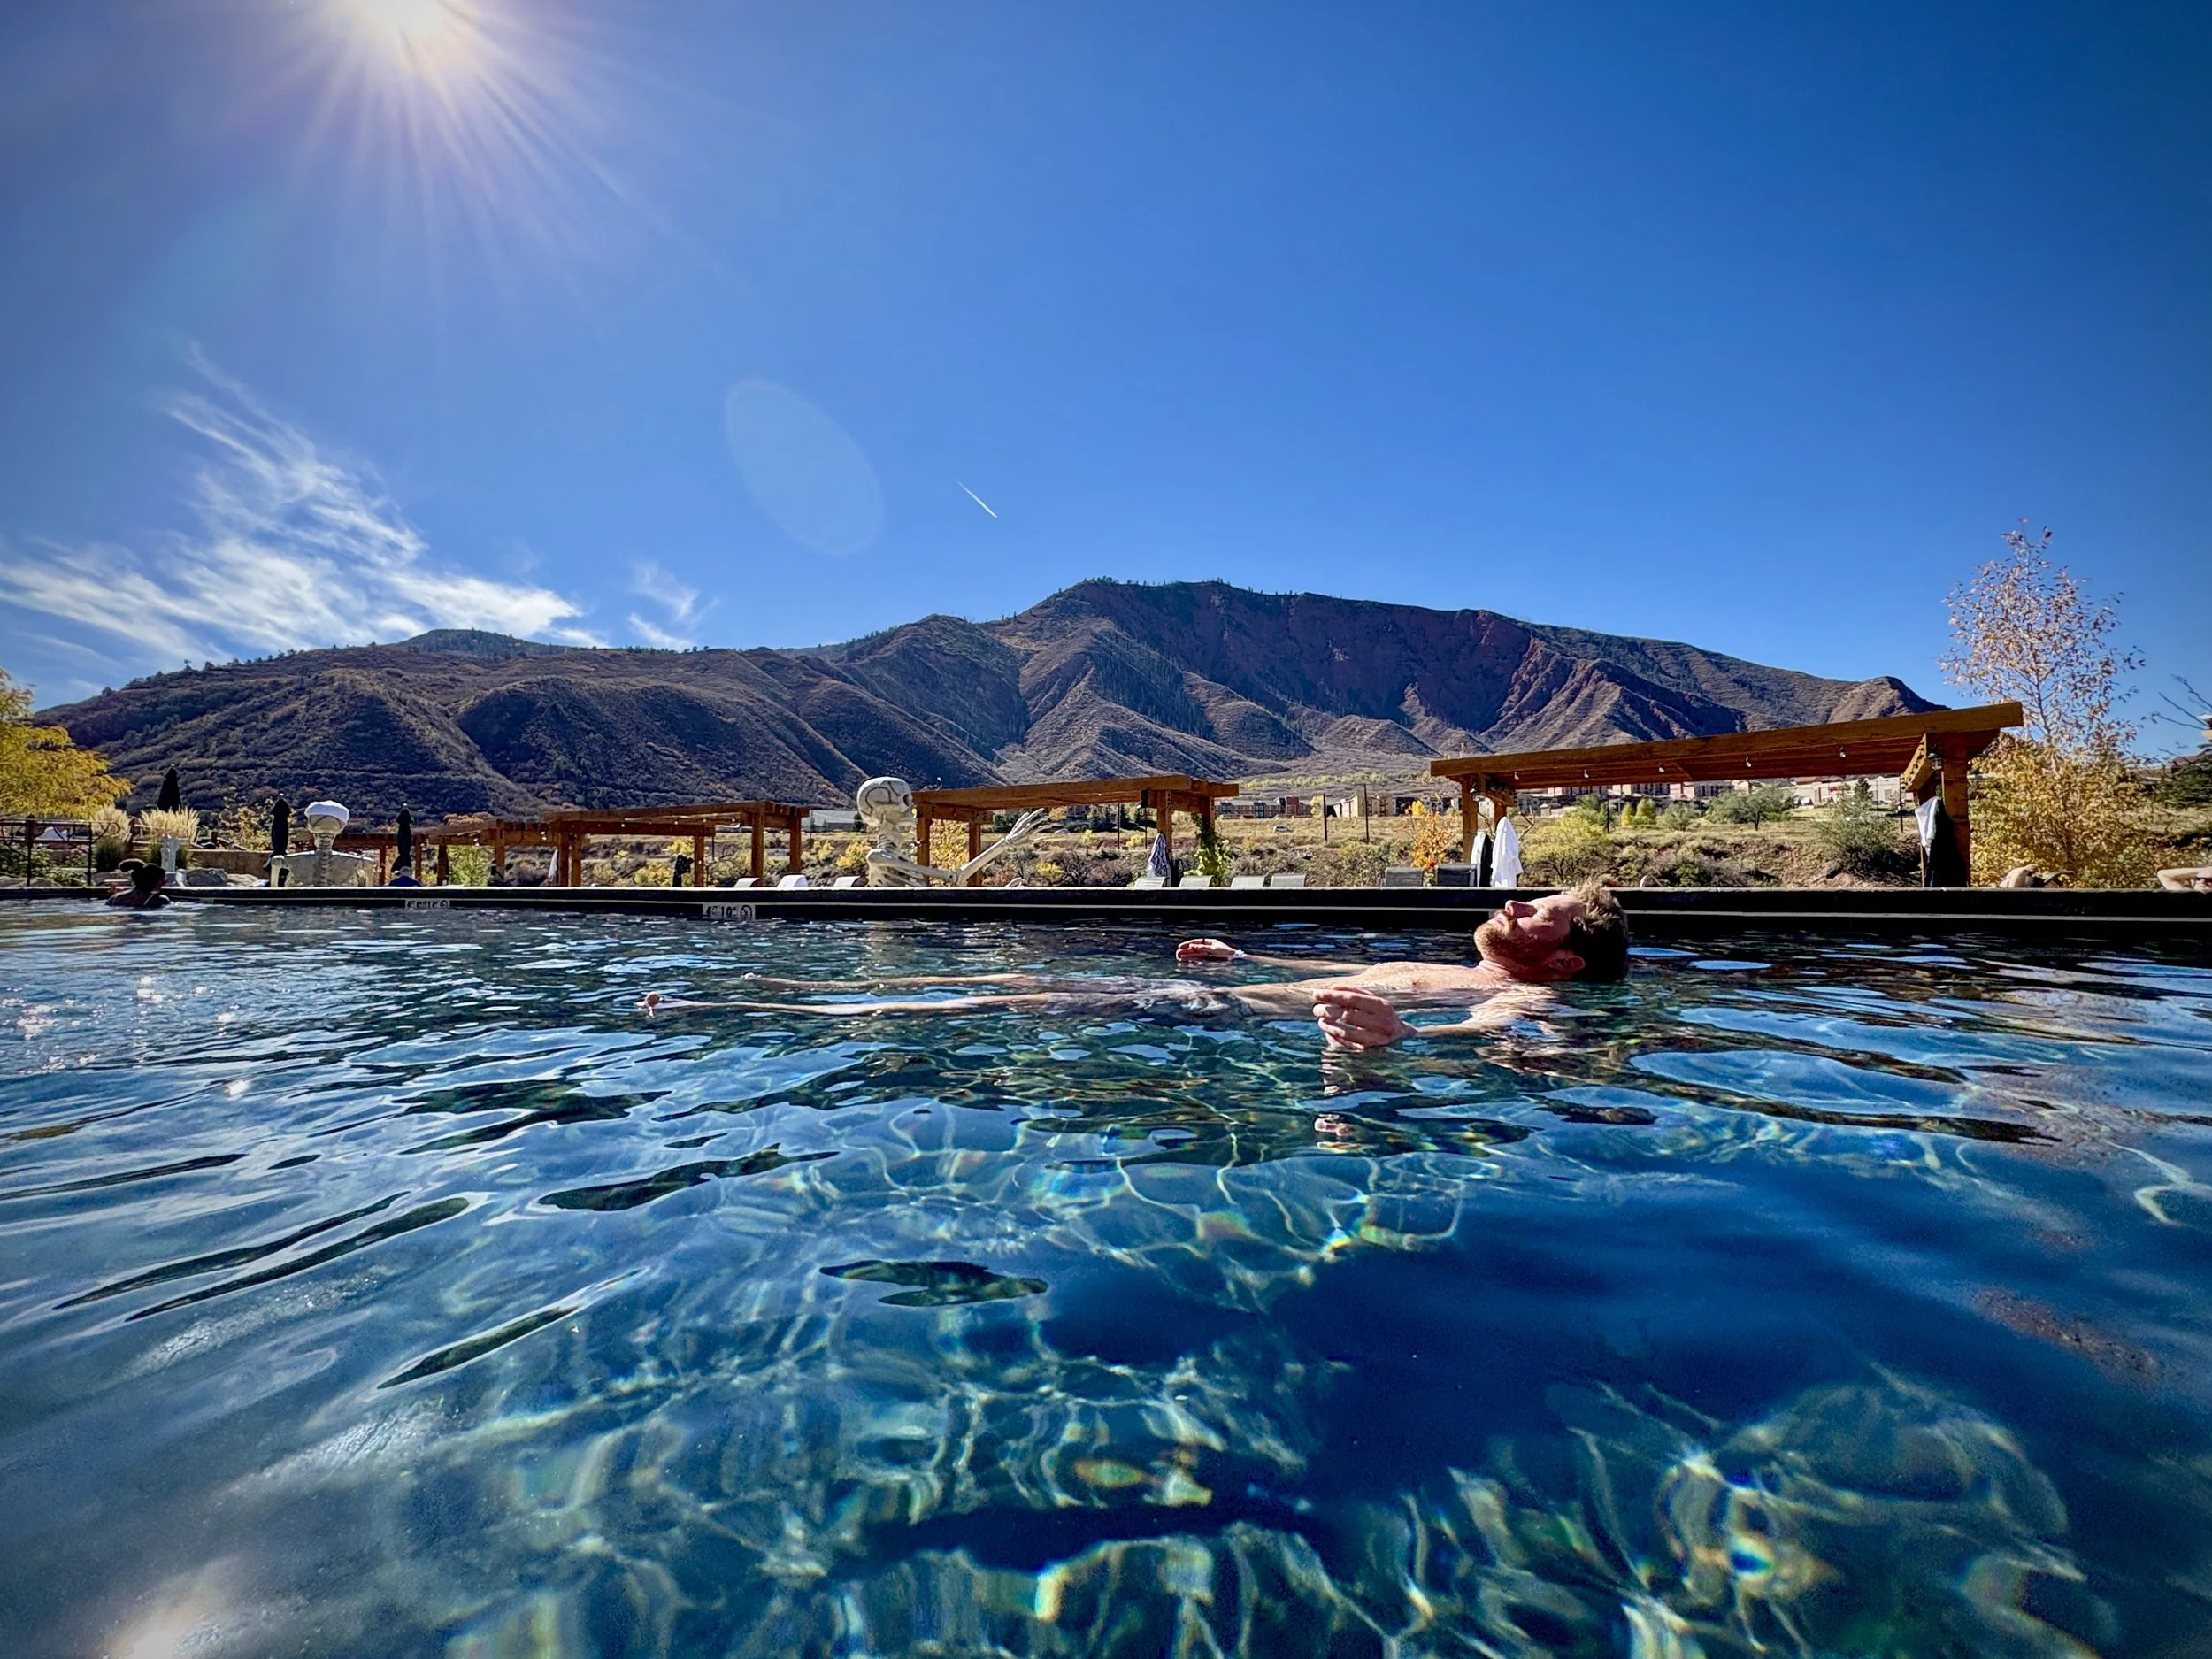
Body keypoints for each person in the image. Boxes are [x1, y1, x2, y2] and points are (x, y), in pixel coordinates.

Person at [641, 881, 1629, 1049]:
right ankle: (774, 993)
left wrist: (1405, 1039)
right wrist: (1251, 954)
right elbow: (1338, 964)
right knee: (1018, 990)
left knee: (1010, 993)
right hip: (1217, 997)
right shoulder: (1455, 961)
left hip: (1211, 1021)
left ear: (1567, 965)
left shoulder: (1517, 1007)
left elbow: (1474, 1039)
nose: (1510, 904)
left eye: (1533, 910)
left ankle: (754, 1005)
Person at [105, 860, 171, 910]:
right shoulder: (160, 900)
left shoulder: (115, 898)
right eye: (162, 880)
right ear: (152, 881)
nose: (164, 883)